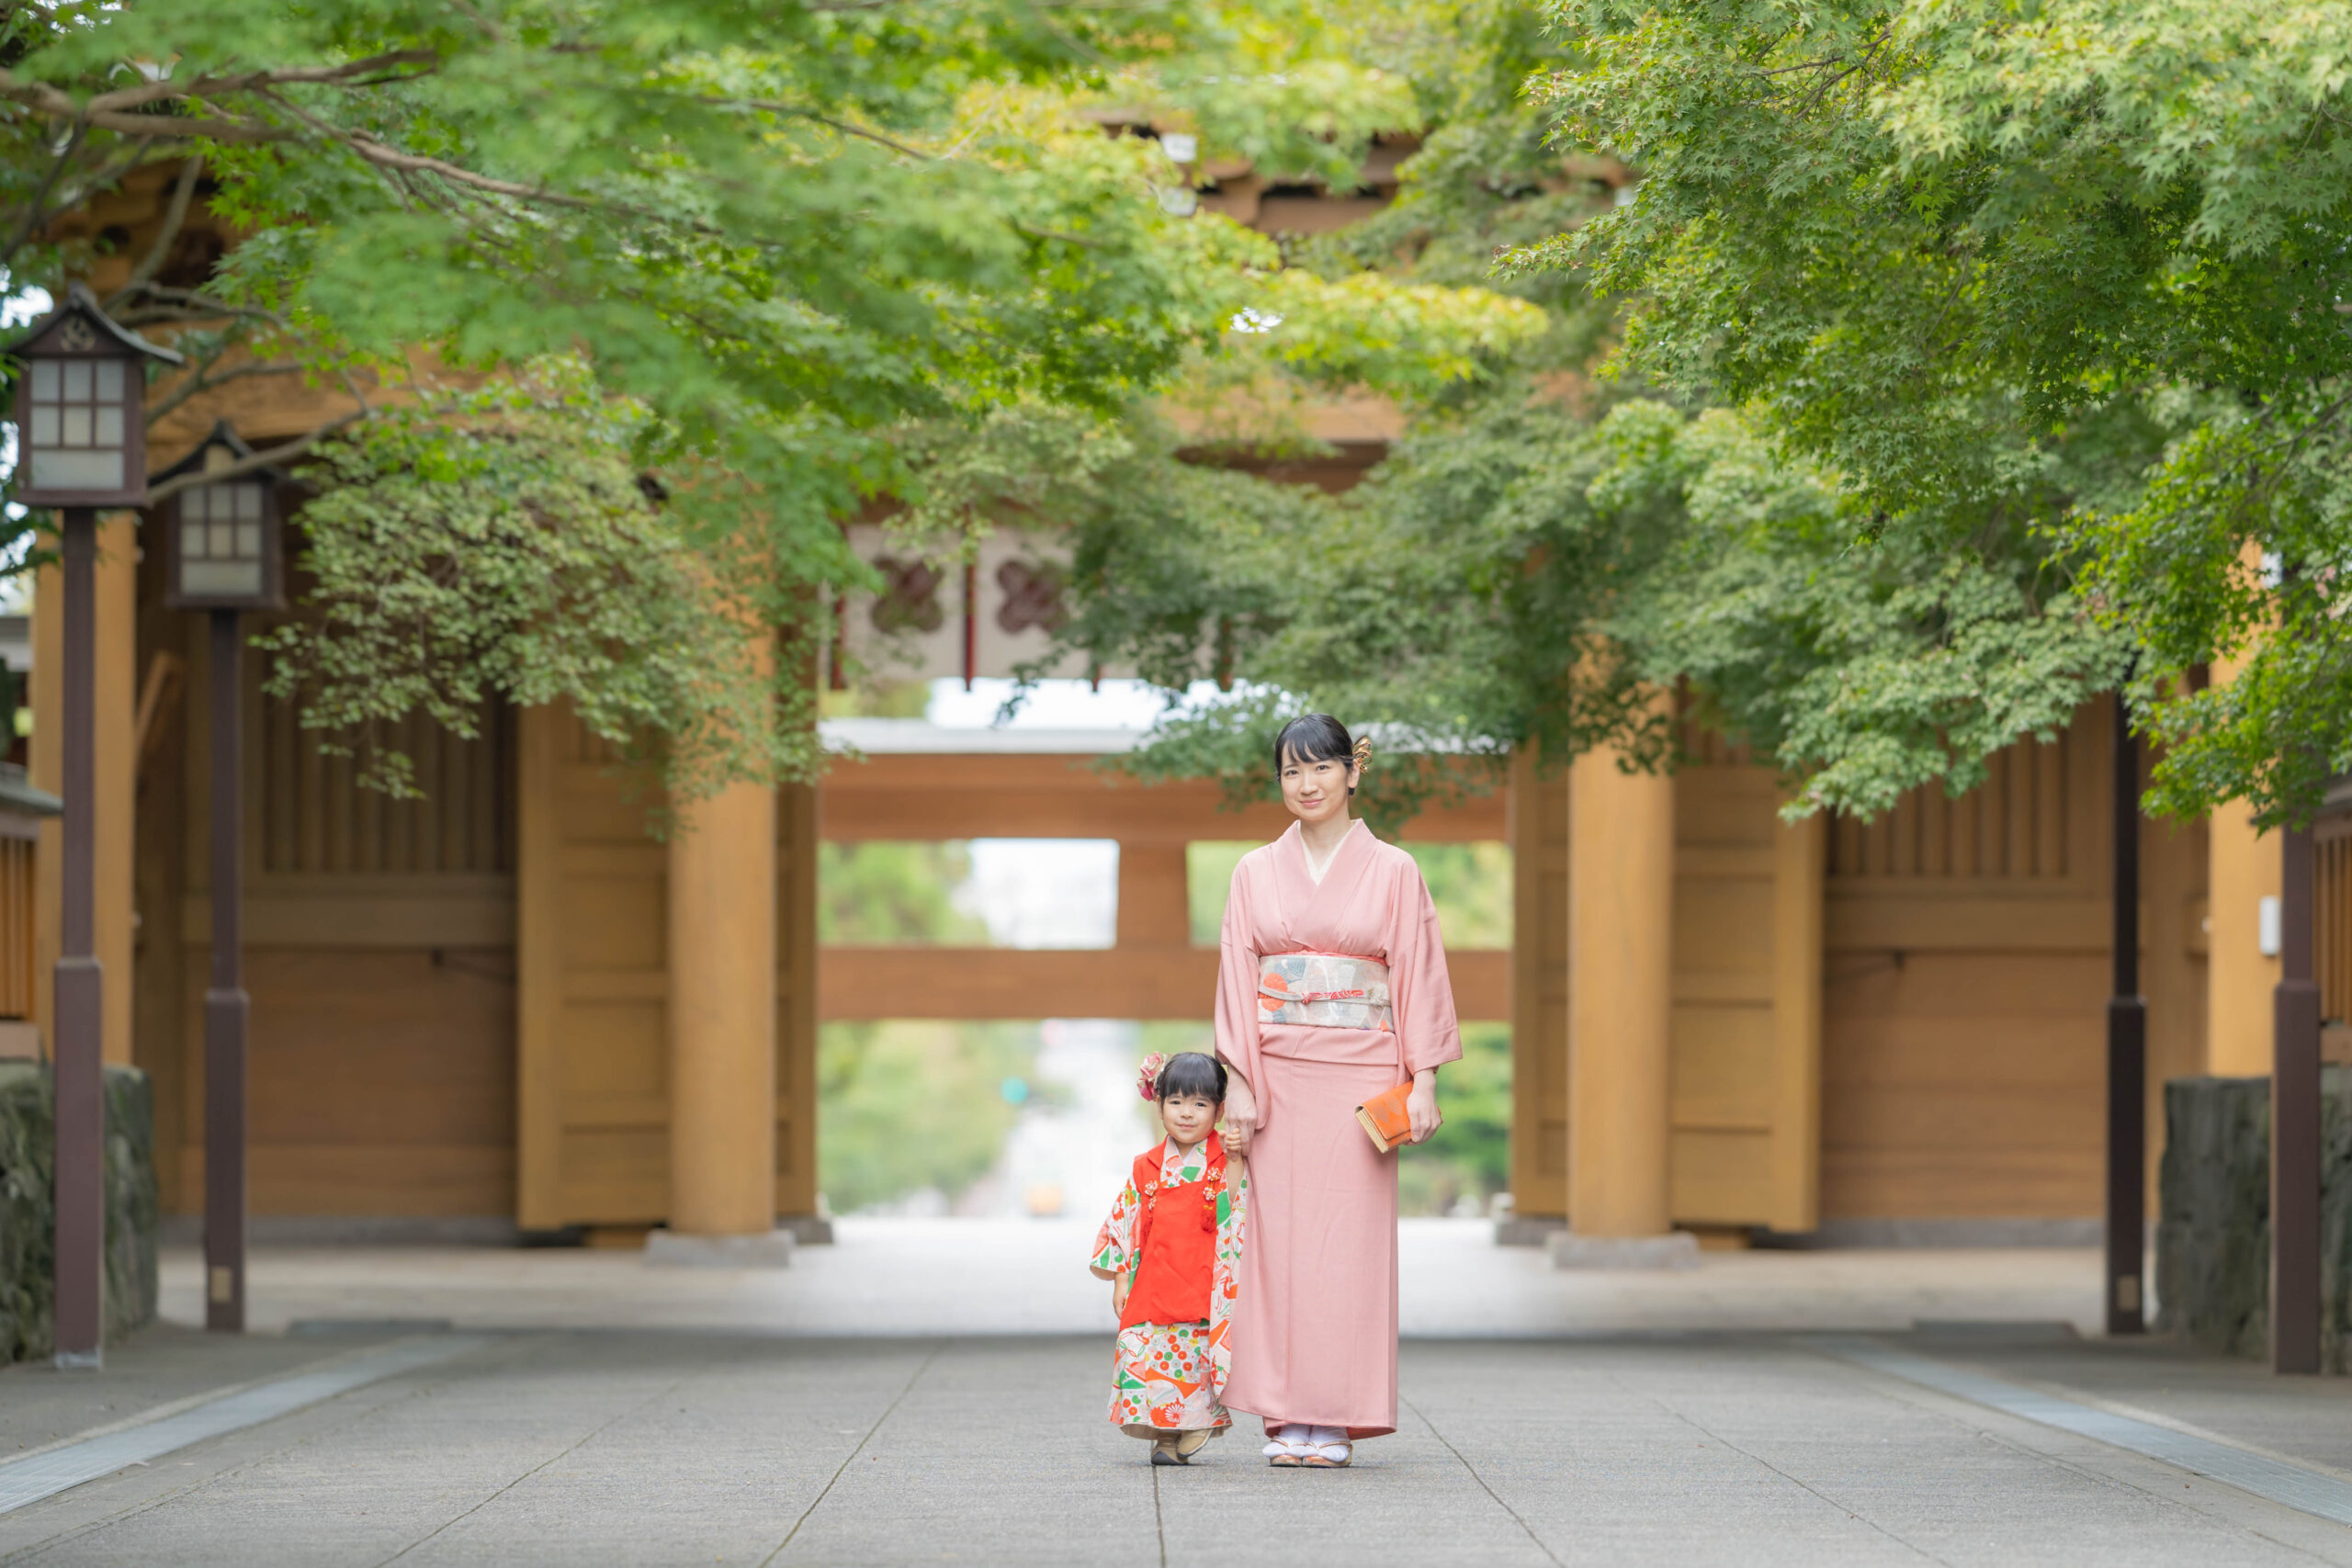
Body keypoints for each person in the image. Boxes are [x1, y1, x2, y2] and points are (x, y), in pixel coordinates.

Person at [1216, 714, 1459, 1469]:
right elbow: (1235, 978)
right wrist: (1240, 1082)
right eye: (1290, 771)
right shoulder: (1254, 871)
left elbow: (1418, 971)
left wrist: (1423, 1080)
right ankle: (1288, 1413)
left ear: (1354, 771)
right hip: (1280, 1072)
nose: (1306, 783)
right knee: (1279, 1246)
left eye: (1320, 767)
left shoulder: (1394, 870)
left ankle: (1337, 1415)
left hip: (1361, 1076)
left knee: (1349, 1250)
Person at [1088, 1050, 1249, 1465]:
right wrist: (1123, 1279)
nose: (1187, 1113)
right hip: (1155, 1277)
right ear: (1158, 1104)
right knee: (1149, 1350)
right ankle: (1163, 1435)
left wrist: (1234, 1160)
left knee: (1194, 1353)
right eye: (1176, 1102)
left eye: (1200, 1103)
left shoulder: (1221, 1157)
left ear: (1219, 1109)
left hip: (1203, 1275)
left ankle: (1197, 1422)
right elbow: (1127, 1220)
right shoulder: (1147, 1166)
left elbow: (1233, 1207)